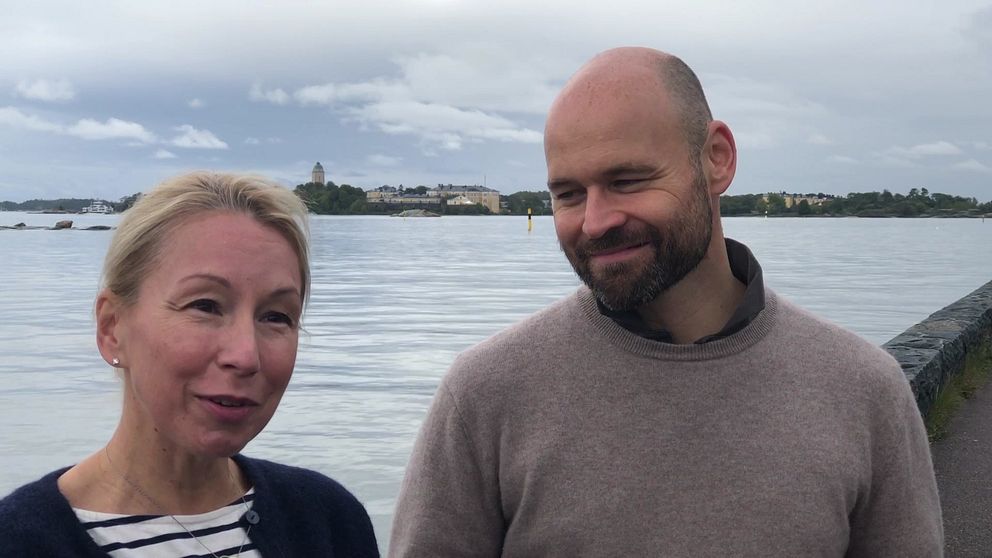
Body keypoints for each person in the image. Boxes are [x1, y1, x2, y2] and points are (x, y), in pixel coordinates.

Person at [390, 47, 942, 557]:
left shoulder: (863, 390)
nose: (595, 222)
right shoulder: (485, 395)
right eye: (569, 194)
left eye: (628, 180)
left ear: (717, 159)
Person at [0, 172, 379, 557]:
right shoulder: (19, 542)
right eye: (205, 306)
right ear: (112, 328)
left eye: (276, 316)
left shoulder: (327, 521)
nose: (246, 356)